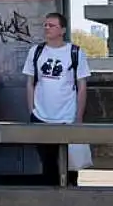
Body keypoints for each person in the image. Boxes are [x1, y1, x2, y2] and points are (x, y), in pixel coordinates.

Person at [22, 12, 91, 186]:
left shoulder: (75, 52)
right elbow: (30, 83)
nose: (47, 28)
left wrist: (79, 117)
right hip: (41, 117)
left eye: (51, 25)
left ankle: (71, 201)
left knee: (70, 167)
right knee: (48, 166)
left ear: (62, 30)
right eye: (45, 25)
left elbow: (82, 86)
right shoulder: (35, 52)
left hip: (67, 117)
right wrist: (32, 111)